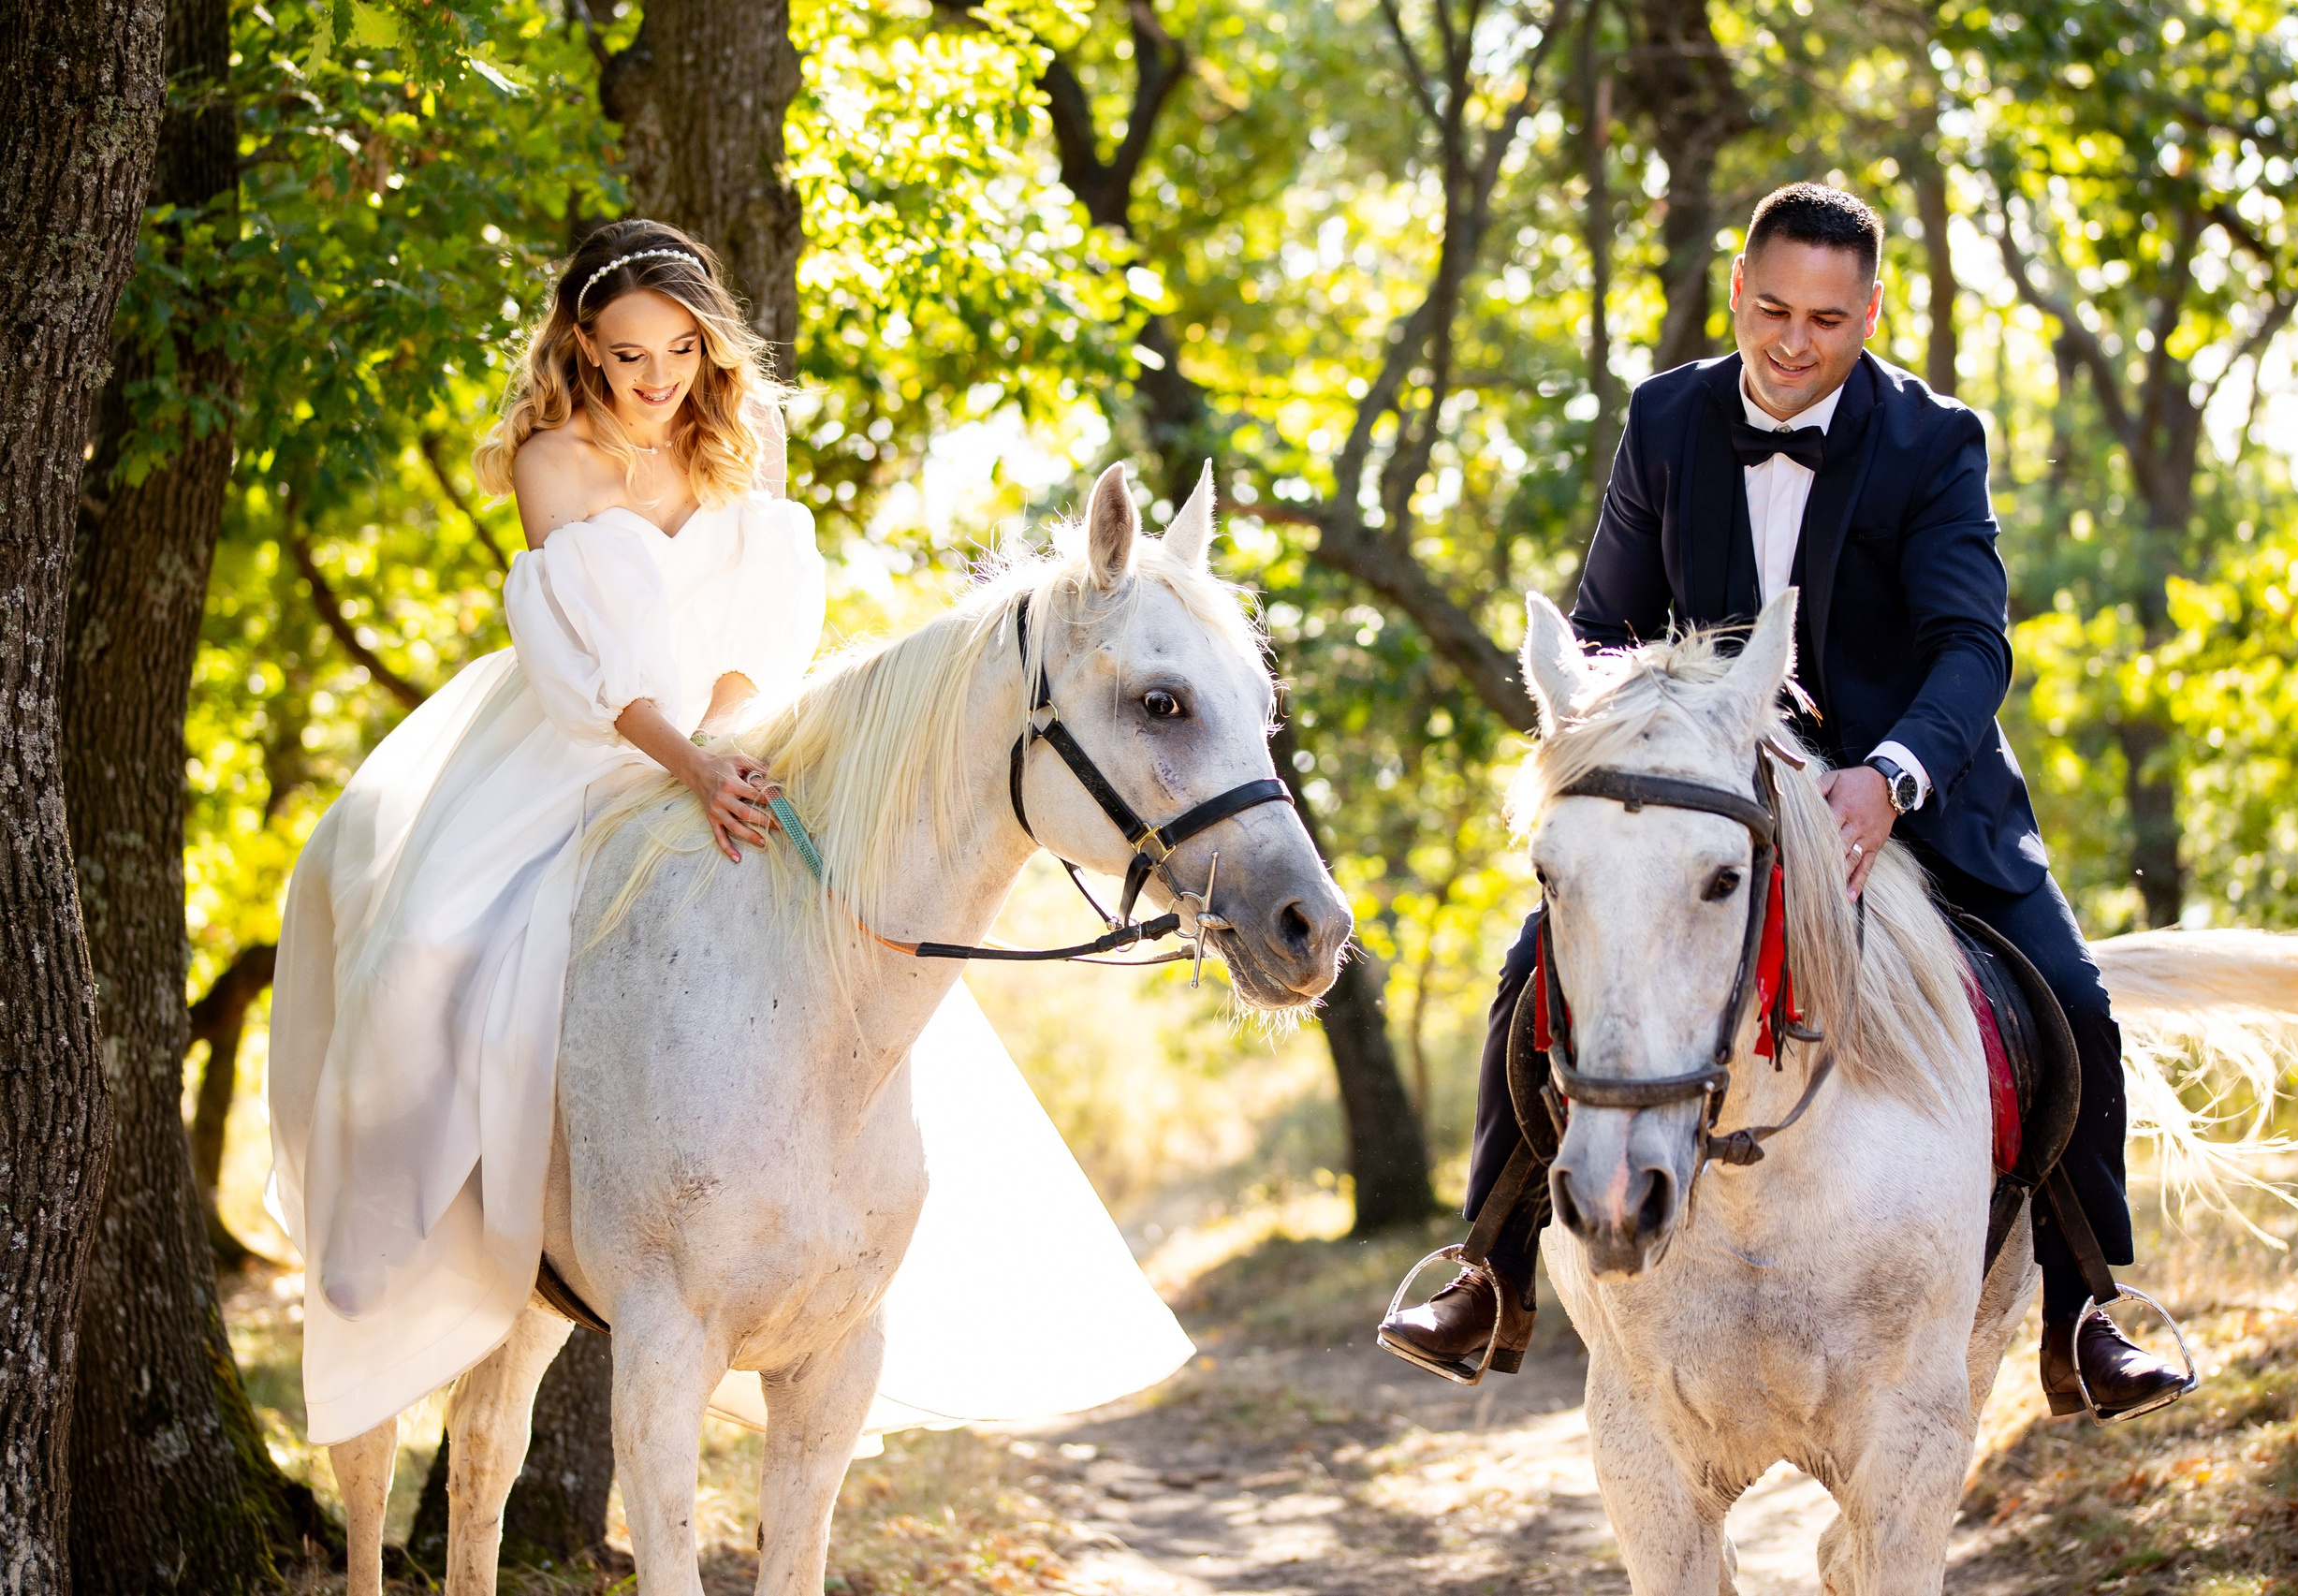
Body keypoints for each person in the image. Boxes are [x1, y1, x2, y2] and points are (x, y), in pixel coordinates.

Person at [267, 219, 1190, 1449]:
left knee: (860, 935)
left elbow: (768, 614)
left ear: (708, 344)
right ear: (582, 350)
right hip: (586, 740)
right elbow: (577, 653)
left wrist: (730, 742)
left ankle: (844, 1230)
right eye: (626, 354)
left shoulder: (745, 443)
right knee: (434, 931)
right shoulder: (554, 461)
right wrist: (683, 762)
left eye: (679, 349)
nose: (656, 379)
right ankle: (386, 1223)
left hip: (739, 732)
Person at [1377, 183, 2188, 1420]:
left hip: (1901, 793)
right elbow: (1601, 629)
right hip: (1716, 790)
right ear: (1738, 287)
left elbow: (1970, 646)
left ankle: (2087, 1308)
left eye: (1825, 317)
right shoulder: (1665, 420)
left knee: (2067, 994)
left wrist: (1890, 775)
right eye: (1770, 308)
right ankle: (1487, 1268)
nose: (1792, 340)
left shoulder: (1935, 440)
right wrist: (1631, 727)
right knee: (1529, 968)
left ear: (1869, 313)